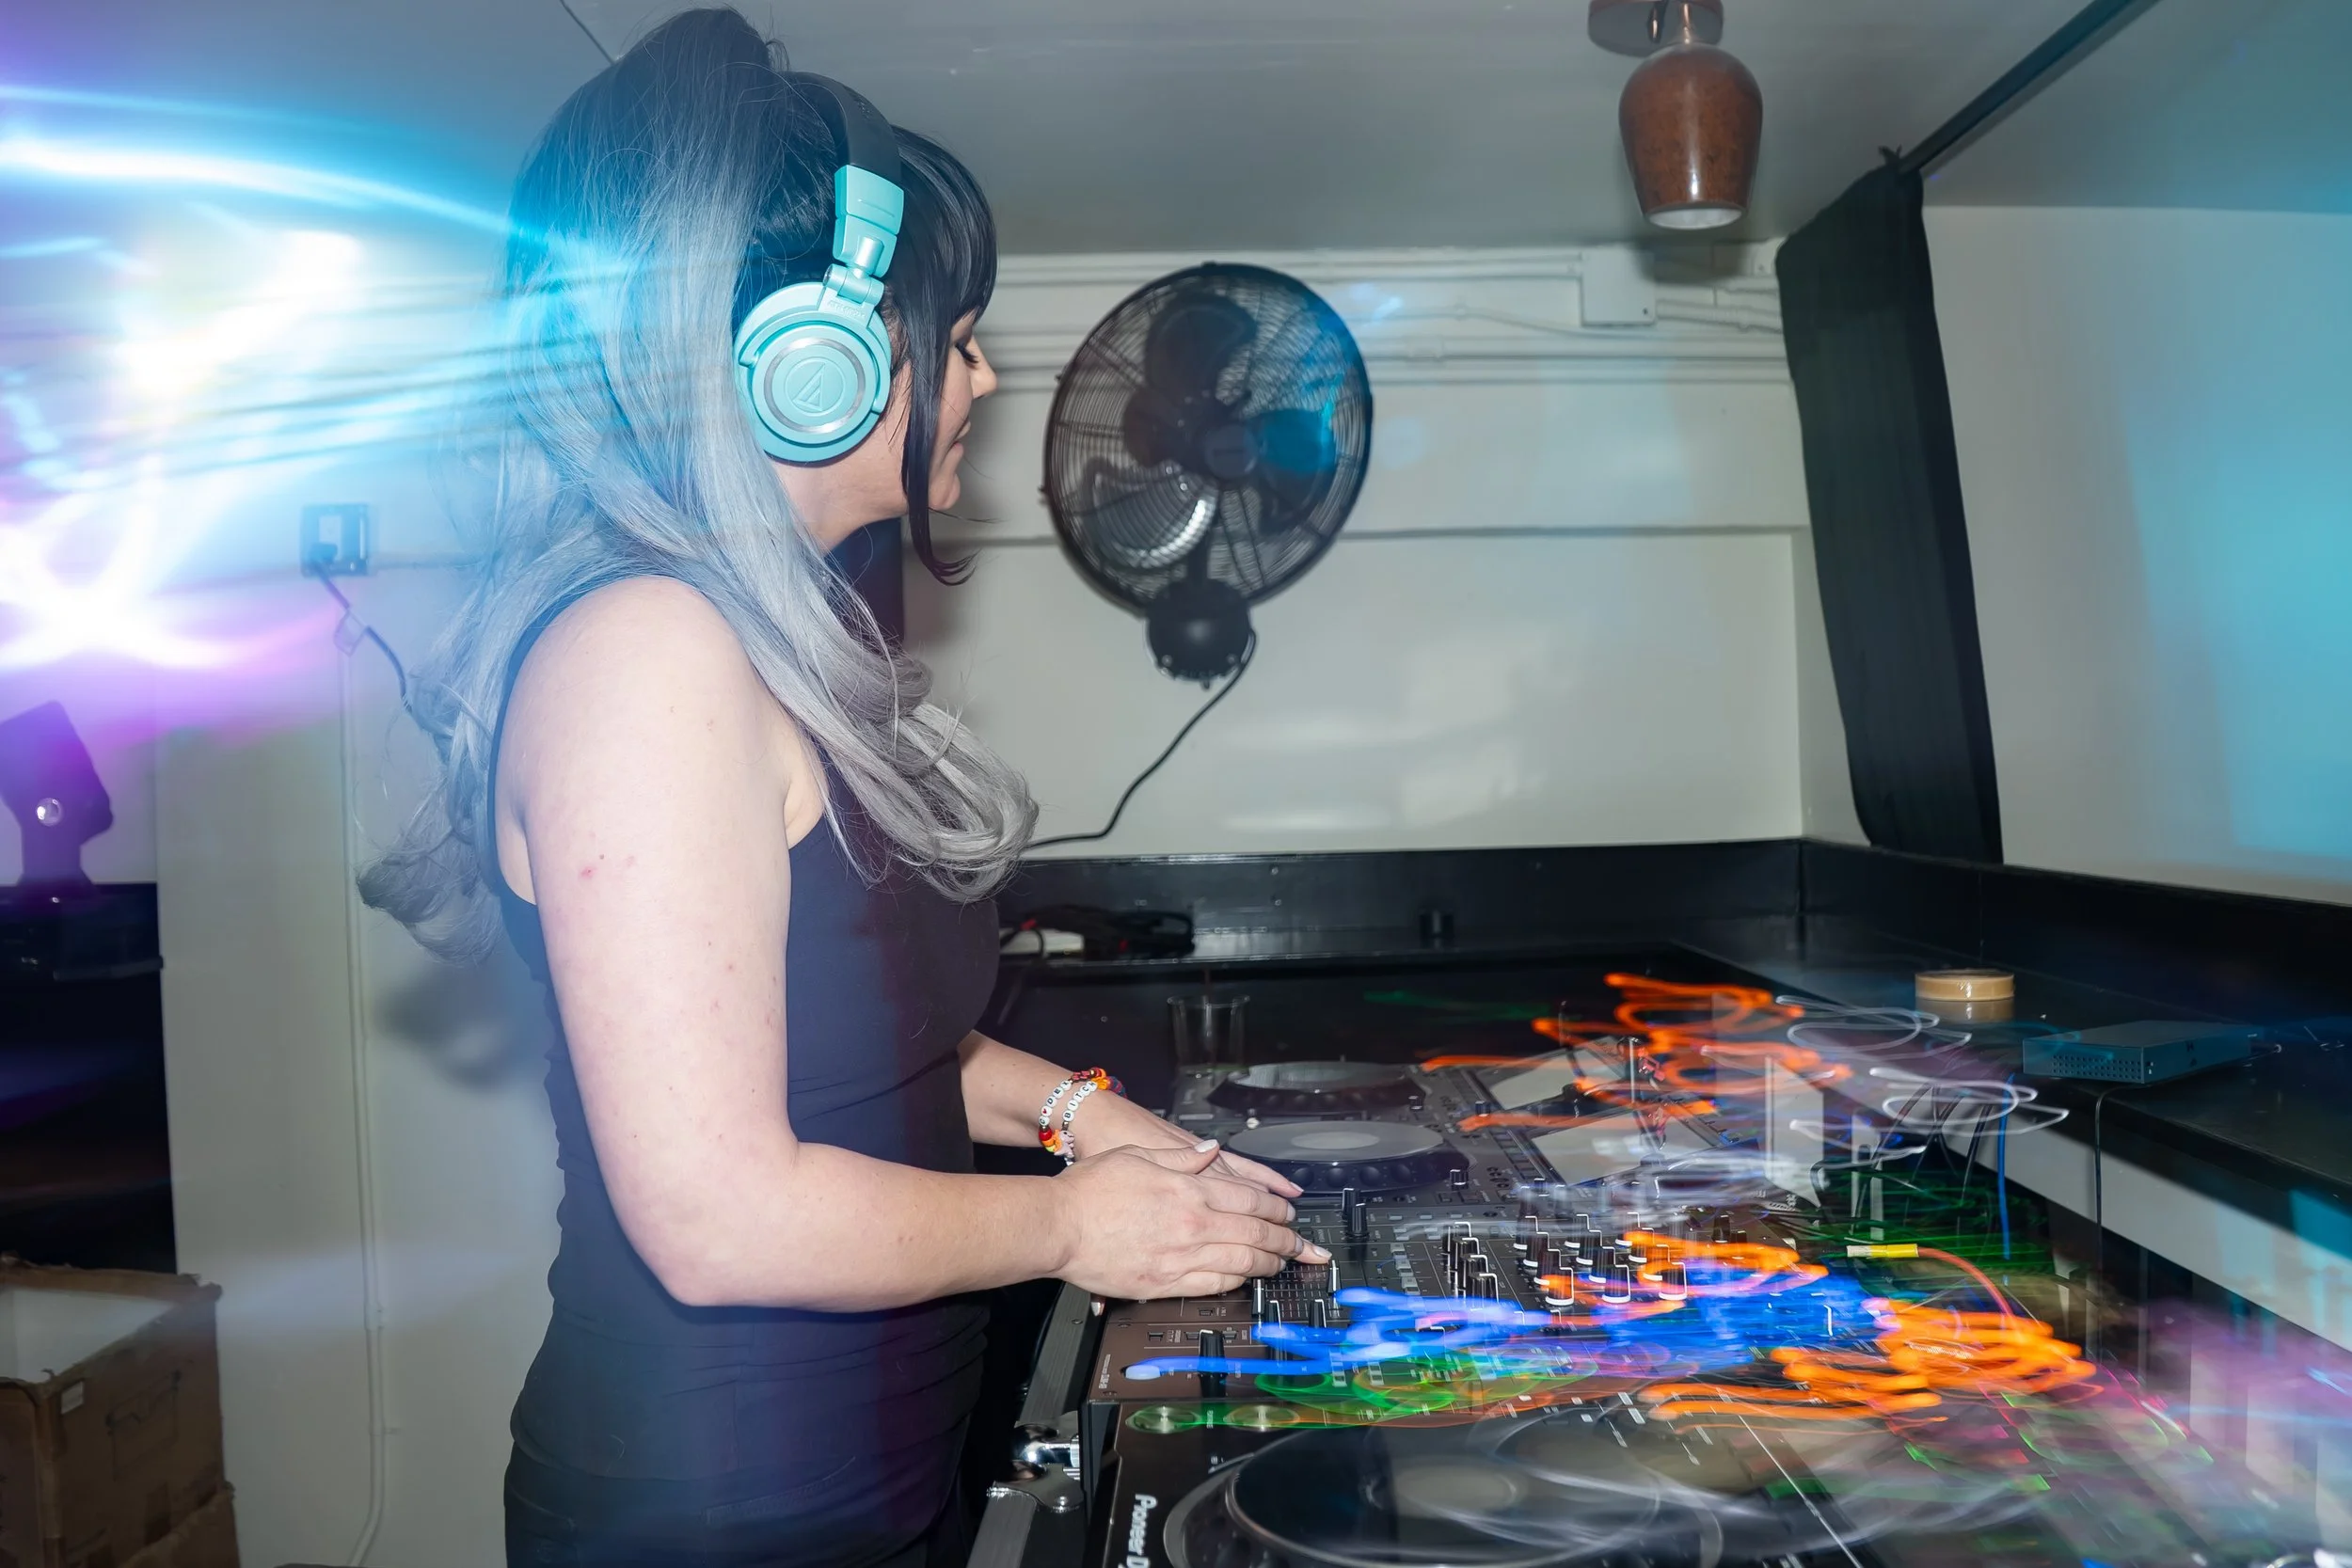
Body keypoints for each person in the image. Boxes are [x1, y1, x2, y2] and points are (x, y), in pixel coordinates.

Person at [359, 10, 1326, 1565]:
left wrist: (1091, 1120)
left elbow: (862, 1061)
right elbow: (717, 1209)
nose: (988, 374)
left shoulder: (740, 643)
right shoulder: (643, 651)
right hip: (717, 1513)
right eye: (954, 336)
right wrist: (1077, 1226)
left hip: (857, 1482)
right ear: (810, 365)